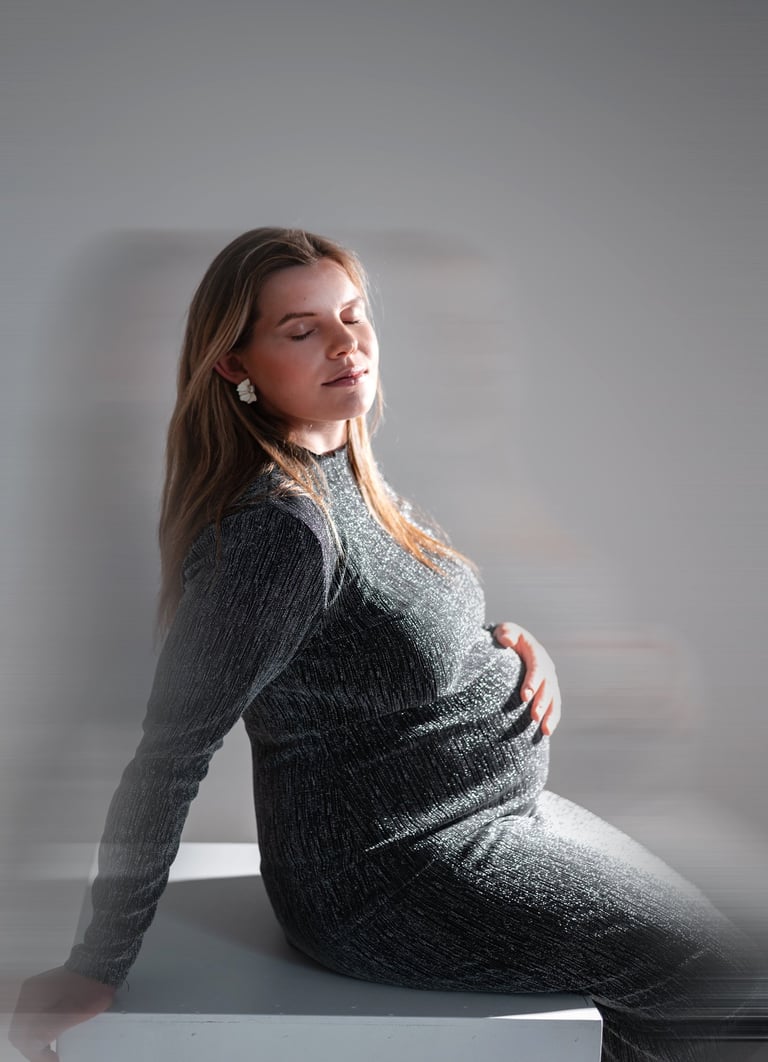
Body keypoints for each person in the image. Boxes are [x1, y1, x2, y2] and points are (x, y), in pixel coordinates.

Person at [10, 227, 764, 1062]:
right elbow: (171, 755)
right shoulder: (279, 534)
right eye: (302, 330)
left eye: (353, 315)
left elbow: (374, 638)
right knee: (721, 989)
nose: (346, 344)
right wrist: (97, 962)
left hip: (482, 818)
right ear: (234, 364)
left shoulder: (348, 471)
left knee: (732, 979)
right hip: (392, 878)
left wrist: (504, 646)